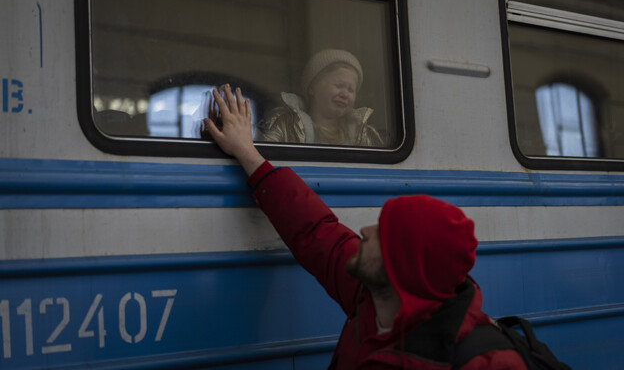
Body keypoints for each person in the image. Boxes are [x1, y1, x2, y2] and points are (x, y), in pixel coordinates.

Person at [203, 85, 526, 369]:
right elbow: (315, 229)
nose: (365, 232)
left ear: (403, 265)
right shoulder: (373, 297)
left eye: (384, 233)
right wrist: (246, 151)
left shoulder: (486, 362)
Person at [256, 49, 384, 147]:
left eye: (351, 90)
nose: (345, 94)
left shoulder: (363, 134)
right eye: (339, 85)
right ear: (312, 88)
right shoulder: (285, 124)